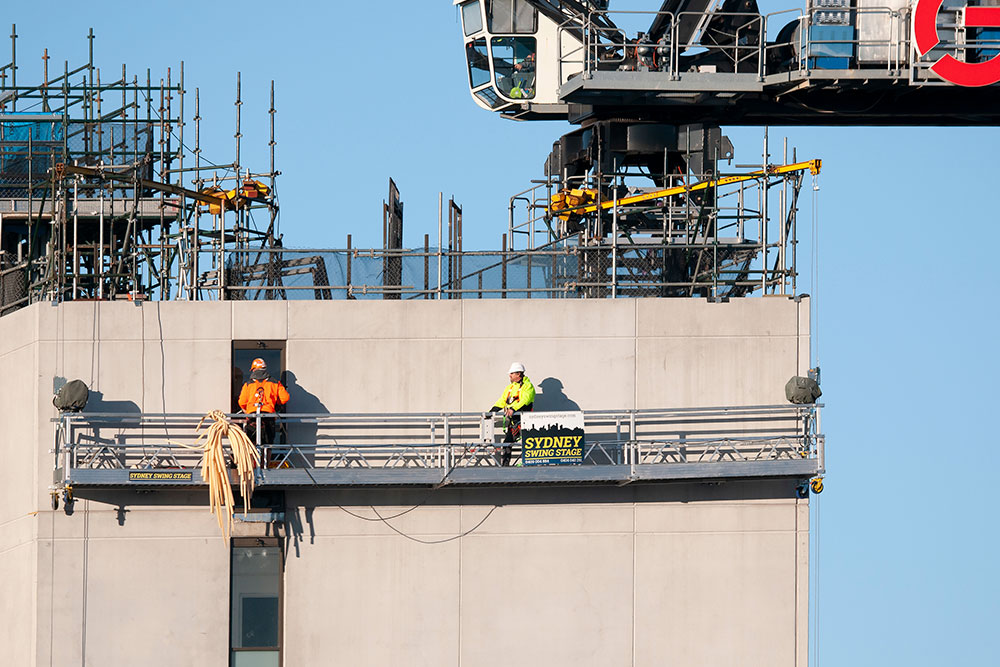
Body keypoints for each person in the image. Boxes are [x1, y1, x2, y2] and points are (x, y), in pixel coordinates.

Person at [488, 361, 535, 466]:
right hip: (513, 422)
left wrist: (513, 409)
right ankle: (505, 466)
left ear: (518, 374)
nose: (509, 375)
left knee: (528, 443)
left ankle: (527, 464)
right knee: (507, 443)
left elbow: (525, 401)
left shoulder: (528, 386)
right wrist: (491, 412)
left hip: (524, 421)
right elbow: (502, 401)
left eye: (511, 373)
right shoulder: (510, 388)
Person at [237, 358, 290, 451]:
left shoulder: (248, 384)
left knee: (251, 444)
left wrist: (246, 410)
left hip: (252, 416)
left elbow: (242, 401)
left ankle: (253, 464)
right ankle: (265, 464)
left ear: (253, 370)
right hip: (268, 415)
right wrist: (276, 404)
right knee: (267, 445)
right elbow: (285, 398)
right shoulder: (275, 383)